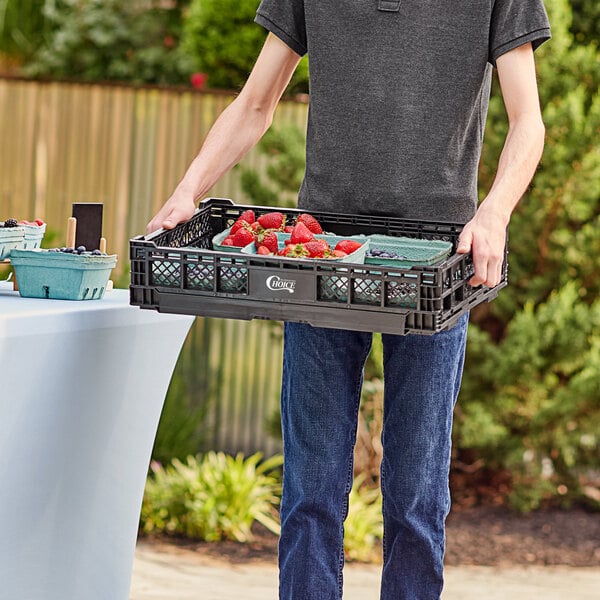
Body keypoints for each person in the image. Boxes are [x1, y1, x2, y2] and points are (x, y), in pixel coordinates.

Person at [147, 2, 551, 598]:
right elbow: (256, 103)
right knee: (310, 492)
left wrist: (494, 212)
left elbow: (528, 121)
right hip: (324, 262)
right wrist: (188, 191)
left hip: (433, 268)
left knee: (416, 497)